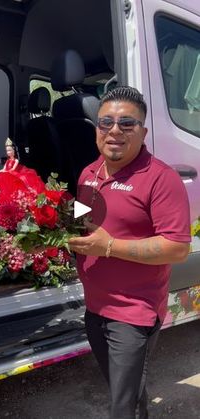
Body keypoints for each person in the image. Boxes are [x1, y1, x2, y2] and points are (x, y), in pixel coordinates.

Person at [69, 86, 191, 419]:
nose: (115, 131)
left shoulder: (160, 179)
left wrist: (108, 246)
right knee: (126, 389)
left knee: (120, 406)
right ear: (96, 128)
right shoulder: (87, 174)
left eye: (127, 124)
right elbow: (81, 227)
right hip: (95, 306)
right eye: (106, 122)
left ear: (143, 131)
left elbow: (178, 248)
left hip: (133, 312)